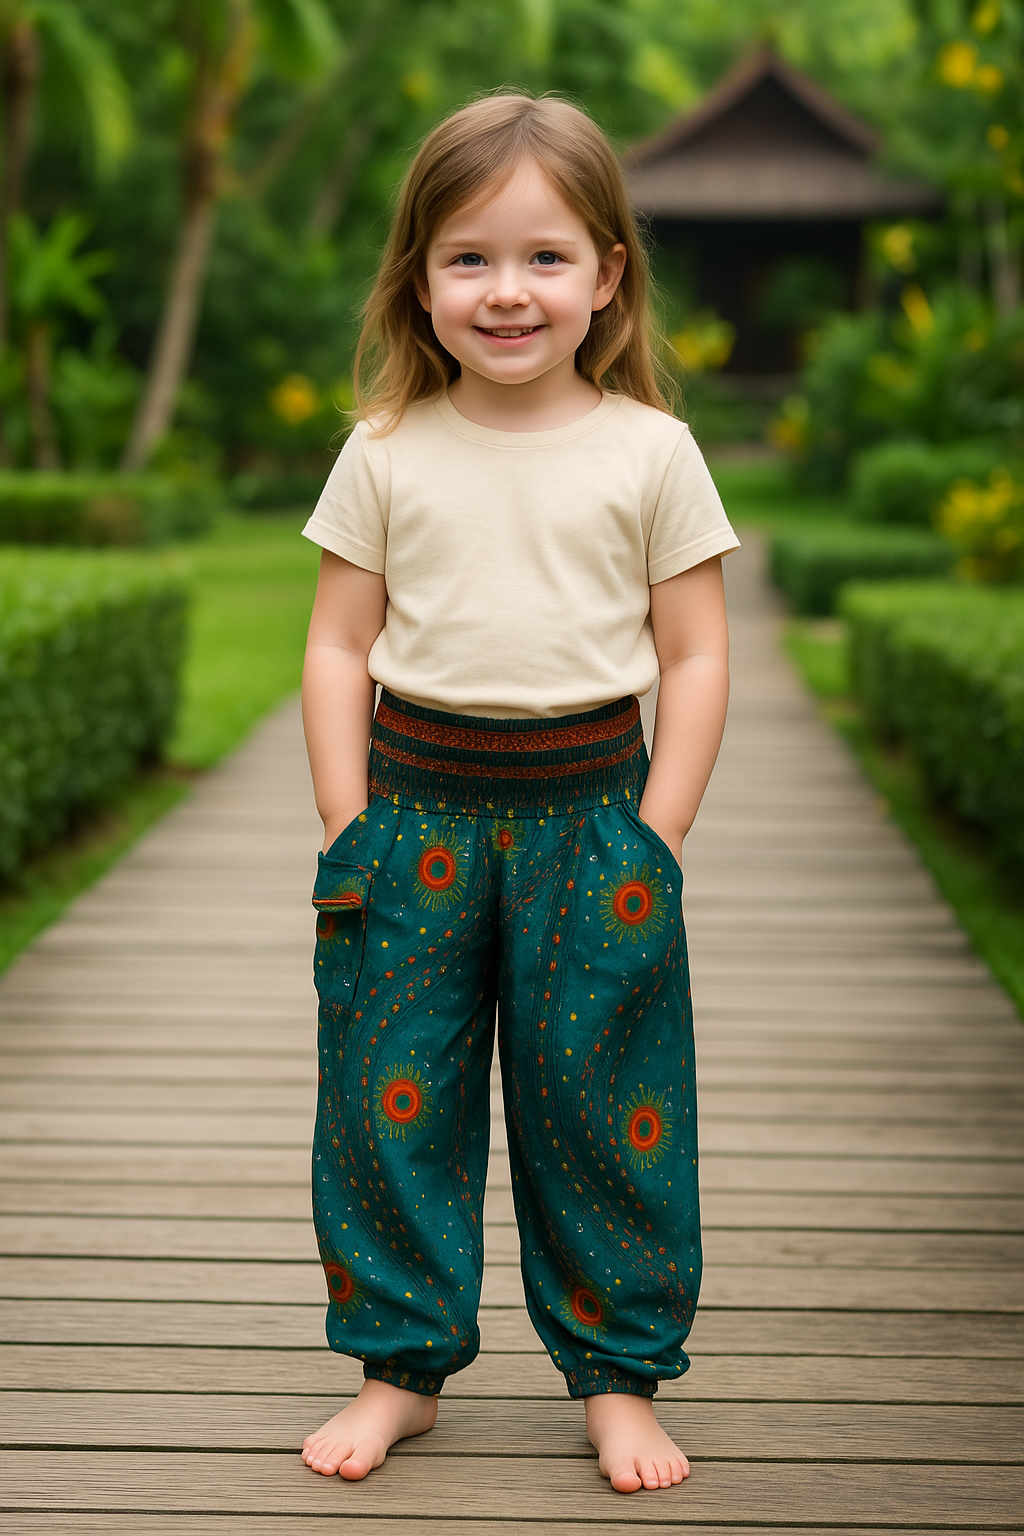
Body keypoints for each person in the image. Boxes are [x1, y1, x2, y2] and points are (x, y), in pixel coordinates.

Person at [298, 92, 737, 1495]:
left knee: (600, 1101)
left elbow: (698, 651)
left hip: (591, 819)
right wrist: (345, 817)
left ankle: (617, 1379)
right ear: (418, 282)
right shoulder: (384, 449)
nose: (506, 291)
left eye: (546, 257)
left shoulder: (649, 451)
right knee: (392, 1099)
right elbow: (337, 642)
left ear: (608, 275)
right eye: (467, 257)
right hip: (413, 815)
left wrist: (654, 838)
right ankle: (400, 1368)